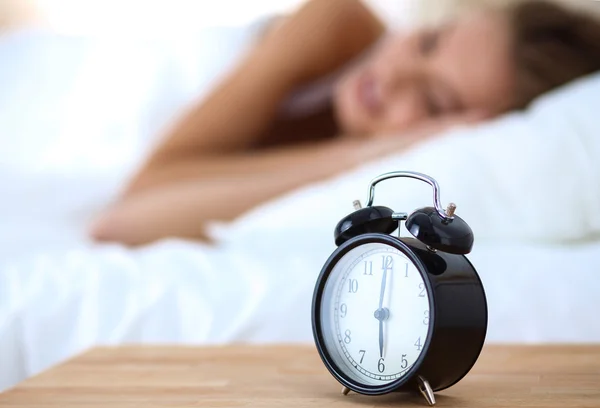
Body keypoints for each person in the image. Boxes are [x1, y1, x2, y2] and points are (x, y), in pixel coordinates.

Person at [90, 0, 600, 246]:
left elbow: (131, 222)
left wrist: (374, 155)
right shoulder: (333, 20)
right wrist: (364, 153)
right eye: (426, 43)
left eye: (435, 101)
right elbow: (128, 208)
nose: (396, 73)